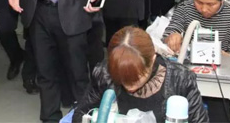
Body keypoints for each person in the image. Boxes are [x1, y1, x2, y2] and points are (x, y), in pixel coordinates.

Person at [72, 27, 208, 123]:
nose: (129, 86)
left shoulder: (180, 80)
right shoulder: (104, 74)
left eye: (135, 79)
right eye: (122, 79)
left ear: (152, 60)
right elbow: (80, 115)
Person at [164, 0, 230, 123]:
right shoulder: (185, 8)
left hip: (219, 79)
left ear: (221, 0)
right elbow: (170, 31)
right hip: (187, 75)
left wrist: (219, 54)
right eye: (199, 2)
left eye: (211, 4)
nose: (204, 9)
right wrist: (173, 36)